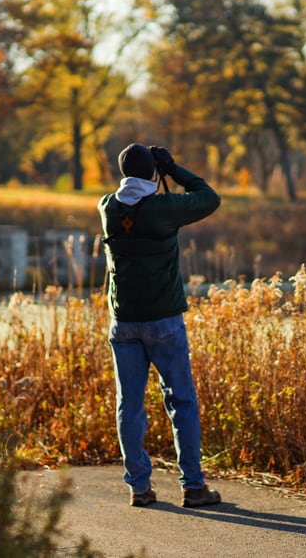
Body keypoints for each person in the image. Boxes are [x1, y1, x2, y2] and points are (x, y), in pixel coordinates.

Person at [98, 143, 222, 508]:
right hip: (164, 322)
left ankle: (139, 487)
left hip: (124, 323)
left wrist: (154, 171)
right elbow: (208, 198)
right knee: (181, 401)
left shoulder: (107, 207)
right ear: (153, 173)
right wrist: (174, 168)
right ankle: (193, 487)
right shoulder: (162, 209)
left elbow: (129, 203)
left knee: (129, 405)